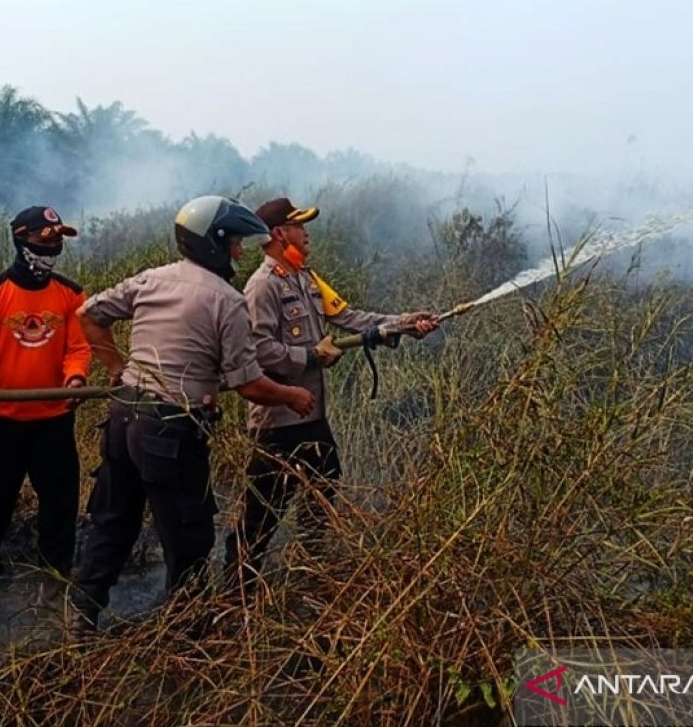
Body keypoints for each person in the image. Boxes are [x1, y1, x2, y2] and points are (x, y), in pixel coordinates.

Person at [72, 195, 315, 629]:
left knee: (112, 525)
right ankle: (187, 636)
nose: (241, 252)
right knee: (189, 536)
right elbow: (249, 385)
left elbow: (89, 315)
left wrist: (116, 368)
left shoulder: (152, 279)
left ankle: (81, 620)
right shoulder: (228, 300)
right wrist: (292, 395)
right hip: (169, 429)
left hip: (123, 415)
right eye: (236, 243)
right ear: (214, 243)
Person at [223, 197, 438, 588]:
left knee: (324, 485)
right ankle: (236, 591)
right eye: (299, 226)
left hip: (312, 415)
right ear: (277, 234)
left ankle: (311, 570)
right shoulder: (262, 286)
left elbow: (351, 317)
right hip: (277, 418)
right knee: (263, 509)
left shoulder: (306, 279)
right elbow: (258, 350)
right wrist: (309, 356)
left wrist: (406, 323)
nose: (307, 233)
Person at [0, 205, 91, 637]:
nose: (52, 248)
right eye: (45, 240)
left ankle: (53, 589)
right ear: (22, 239)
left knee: (60, 508)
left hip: (53, 420)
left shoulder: (70, 294)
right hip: (1, 422)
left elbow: (77, 348)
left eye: (57, 240)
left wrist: (76, 377)